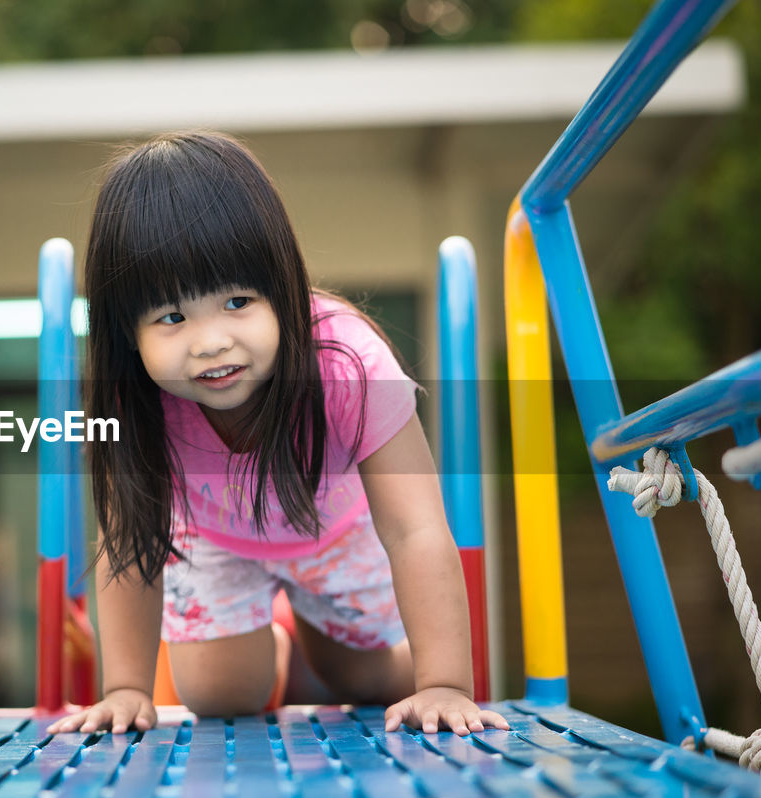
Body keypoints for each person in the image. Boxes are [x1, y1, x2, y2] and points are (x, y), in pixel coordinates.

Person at [48, 131, 507, 737]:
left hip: (336, 531)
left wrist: (446, 684)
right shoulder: (130, 395)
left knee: (368, 685)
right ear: (126, 330)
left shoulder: (346, 363)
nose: (211, 341)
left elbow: (414, 526)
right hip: (214, 536)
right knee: (219, 696)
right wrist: (126, 687)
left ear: (283, 285)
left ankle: (313, 639)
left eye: (238, 300)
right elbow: (129, 539)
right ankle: (280, 647)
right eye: (172, 317)